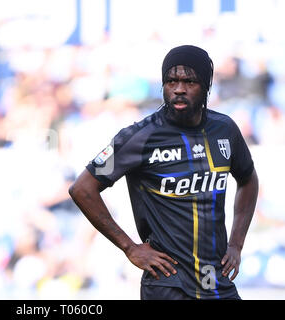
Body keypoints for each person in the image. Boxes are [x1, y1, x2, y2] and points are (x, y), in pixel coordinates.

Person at [68, 45, 259, 300]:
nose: (179, 89)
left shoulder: (225, 130)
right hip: (167, 284)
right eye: (171, 81)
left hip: (215, 280)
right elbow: (82, 188)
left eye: (189, 81)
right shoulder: (139, 137)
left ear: (206, 85)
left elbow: (248, 180)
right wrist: (130, 247)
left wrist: (236, 244)